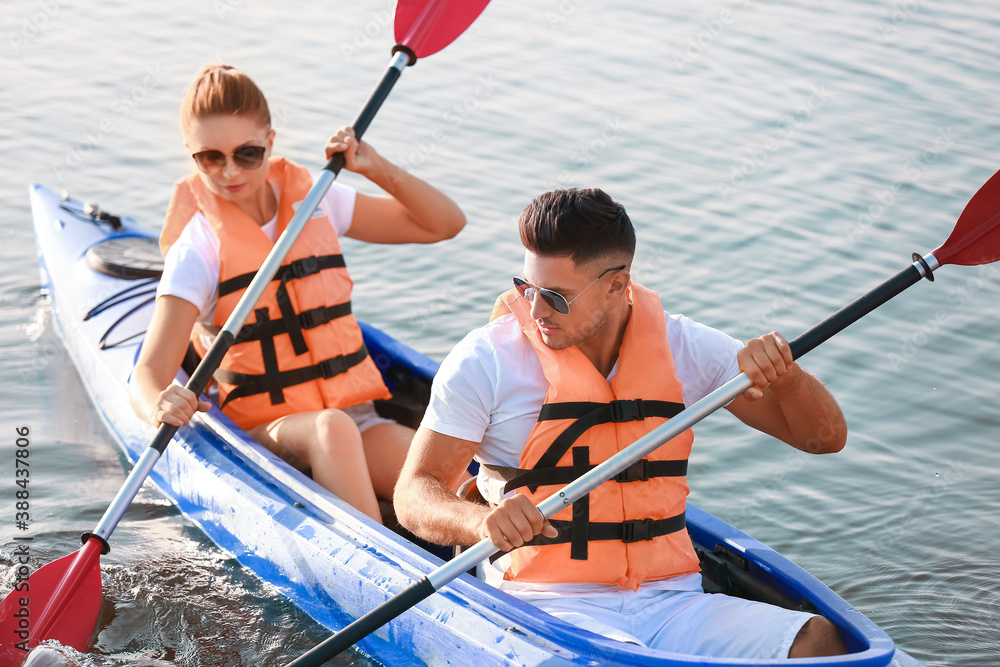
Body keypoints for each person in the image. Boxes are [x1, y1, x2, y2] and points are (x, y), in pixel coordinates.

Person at [393, 188, 850, 659]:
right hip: (545, 600)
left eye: (556, 296)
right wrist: (479, 522)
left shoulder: (682, 346)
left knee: (820, 643)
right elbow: (414, 492)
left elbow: (823, 439)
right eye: (527, 287)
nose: (535, 310)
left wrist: (788, 375)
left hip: (674, 598)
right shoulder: (486, 359)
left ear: (616, 284)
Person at [129, 64, 466, 524]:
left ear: (270, 141)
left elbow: (444, 224)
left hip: (356, 418)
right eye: (210, 157)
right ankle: (384, 554)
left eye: (246, 153)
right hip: (270, 434)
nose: (230, 171)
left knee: (454, 483)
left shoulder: (316, 200)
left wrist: (372, 166)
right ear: (191, 155)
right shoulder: (198, 248)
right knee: (331, 429)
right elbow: (148, 373)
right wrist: (158, 402)